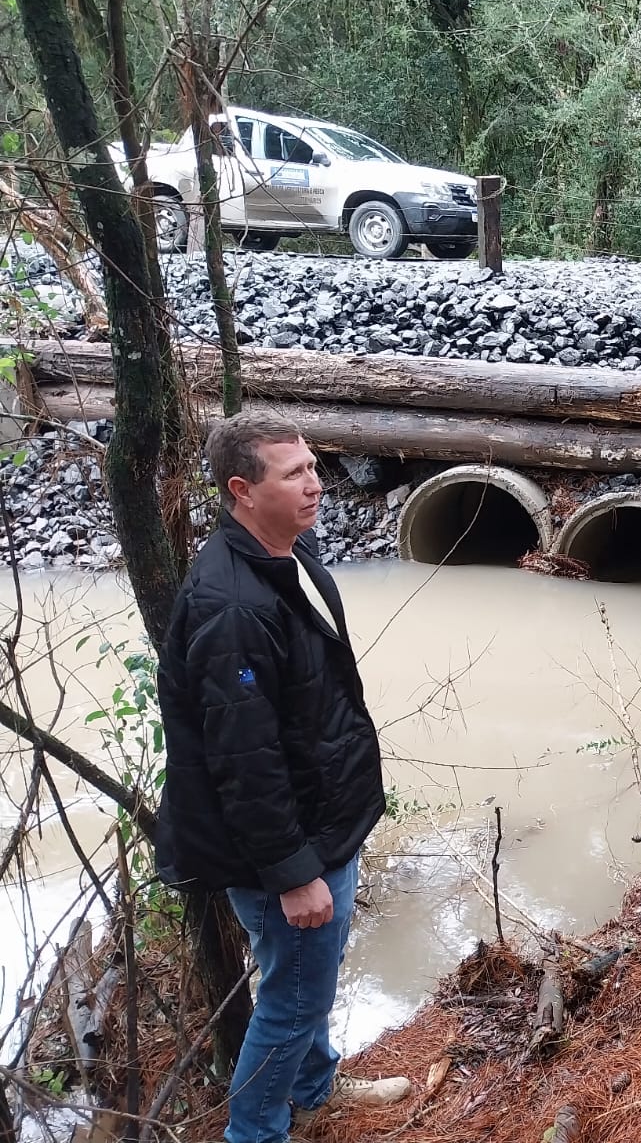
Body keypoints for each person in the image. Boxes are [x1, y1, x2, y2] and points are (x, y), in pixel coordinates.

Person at [155, 411, 412, 1143]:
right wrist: (294, 873)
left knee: (307, 982)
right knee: (293, 1001)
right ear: (242, 490)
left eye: (312, 466)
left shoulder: (286, 553)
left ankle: (315, 1088)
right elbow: (243, 761)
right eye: (294, 473)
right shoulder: (232, 607)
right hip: (284, 850)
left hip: (321, 824)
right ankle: (256, 1133)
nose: (315, 484)